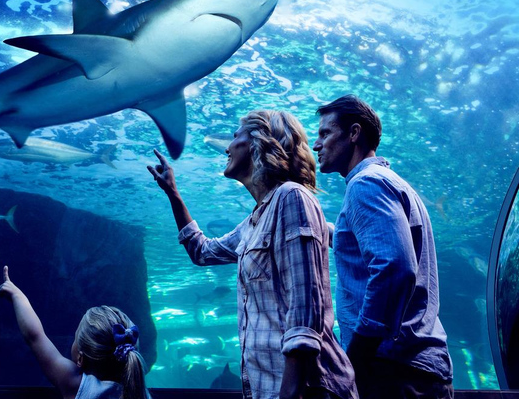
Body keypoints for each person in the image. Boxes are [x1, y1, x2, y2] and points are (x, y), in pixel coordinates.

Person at [148, 109, 357, 399]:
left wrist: (289, 393)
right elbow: (202, 251)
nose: (228, 147)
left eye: (235, 137)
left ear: (258, 143)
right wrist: (173, 193)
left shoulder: (291, 198)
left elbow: (306, 308)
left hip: (306, 391)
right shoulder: (255, 221)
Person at [313, 95, 454, 398]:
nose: (316, 145)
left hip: (393, 368)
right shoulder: (392, 183)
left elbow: (395, 268)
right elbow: (376, 249)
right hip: (414, 366)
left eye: (325, 133)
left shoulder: (366, 184)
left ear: (354, 133)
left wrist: (357, 356)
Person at [0, 265, 150, 399]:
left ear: (80, 359)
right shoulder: (140, 391)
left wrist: (17, 295)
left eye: (76, 337)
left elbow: (35, 336)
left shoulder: (77, 385)